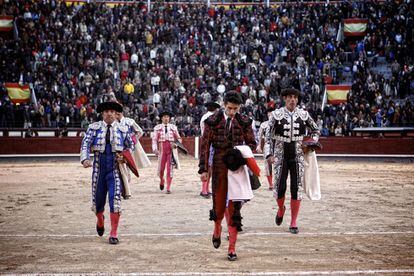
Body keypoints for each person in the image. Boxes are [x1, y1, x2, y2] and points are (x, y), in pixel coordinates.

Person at [198, 92, 256, 261]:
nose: (232, 112)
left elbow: (252, 143)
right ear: (224, 105)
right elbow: (204, 145)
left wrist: (241, 154)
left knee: (234, 207)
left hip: (237, 166)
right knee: (218, 205)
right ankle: (217, 228)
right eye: (229, 108)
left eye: (235, 109)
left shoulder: (244, 121)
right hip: (218, 165)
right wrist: (203, 169)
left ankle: (232, 248)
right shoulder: (212, 121)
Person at [264, 88, 320, 234]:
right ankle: (281, 209)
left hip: (297, 155)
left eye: (295, 97)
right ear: (285, 99)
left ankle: (293, 221)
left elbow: (315, 130)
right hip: (280, 155)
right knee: (280, 186)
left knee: (296, 188)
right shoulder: (276, 115)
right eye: (290, 97)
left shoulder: (304, 115)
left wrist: (311, 143)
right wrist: (269, 154)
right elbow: (268, 136)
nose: (293, 100)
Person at [80, 101, 133, 244]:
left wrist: (124, 157)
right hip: (98, 170)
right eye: (106, 111)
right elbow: (85, 143)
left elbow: (130, 146)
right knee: (98, 202)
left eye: (112, 111)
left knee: (115, 200)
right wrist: (85, 159)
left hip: (115, 170)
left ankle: (113, 233)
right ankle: (100, 219)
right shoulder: (94, 128)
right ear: (102, 114)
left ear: (116, 114)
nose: (109, 113)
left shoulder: (123, 129)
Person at [116, 109, 150, 198]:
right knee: (121, 168)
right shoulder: (113, 123)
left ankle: (126, 189)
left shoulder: (129, 121)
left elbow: (140, 131)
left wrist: (134, 140)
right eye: (115, 112)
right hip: (118, 148)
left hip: (128, 148)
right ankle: (124, 190)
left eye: (118, 111)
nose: (117, 113)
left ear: (122, 112)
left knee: (127, 168)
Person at [152, 110, 183, 194]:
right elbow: (154, 140)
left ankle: (168, 187)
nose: (166, 118)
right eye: (164, 117)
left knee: (170, 169)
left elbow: (179, 138)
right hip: (162, 150)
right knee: (161, 169)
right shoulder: (157, 128)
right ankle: (162, 180)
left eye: (167, 117)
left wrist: (176, 144)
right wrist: (155, 149)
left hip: (171, 150)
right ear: (162, 118)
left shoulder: (173, 127)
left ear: (169, 118)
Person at [199, 101, 221, 198]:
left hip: (207, 143)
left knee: (208, 167)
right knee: (208, 167)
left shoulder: (204, 117)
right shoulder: (212, 118)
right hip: (211, 143)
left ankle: (206, 189)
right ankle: (204, 190)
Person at [255, 107, 275, 190]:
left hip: (278, 145)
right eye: (269, 113)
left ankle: (277, 182)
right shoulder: (264, 124)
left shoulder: (279, 123)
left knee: (280, 164)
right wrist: (259, 145)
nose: (270, 114)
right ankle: (271, 184)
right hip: (267, 145)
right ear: (267, 114)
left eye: (272, 113)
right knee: (268, 164)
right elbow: (259, 136)